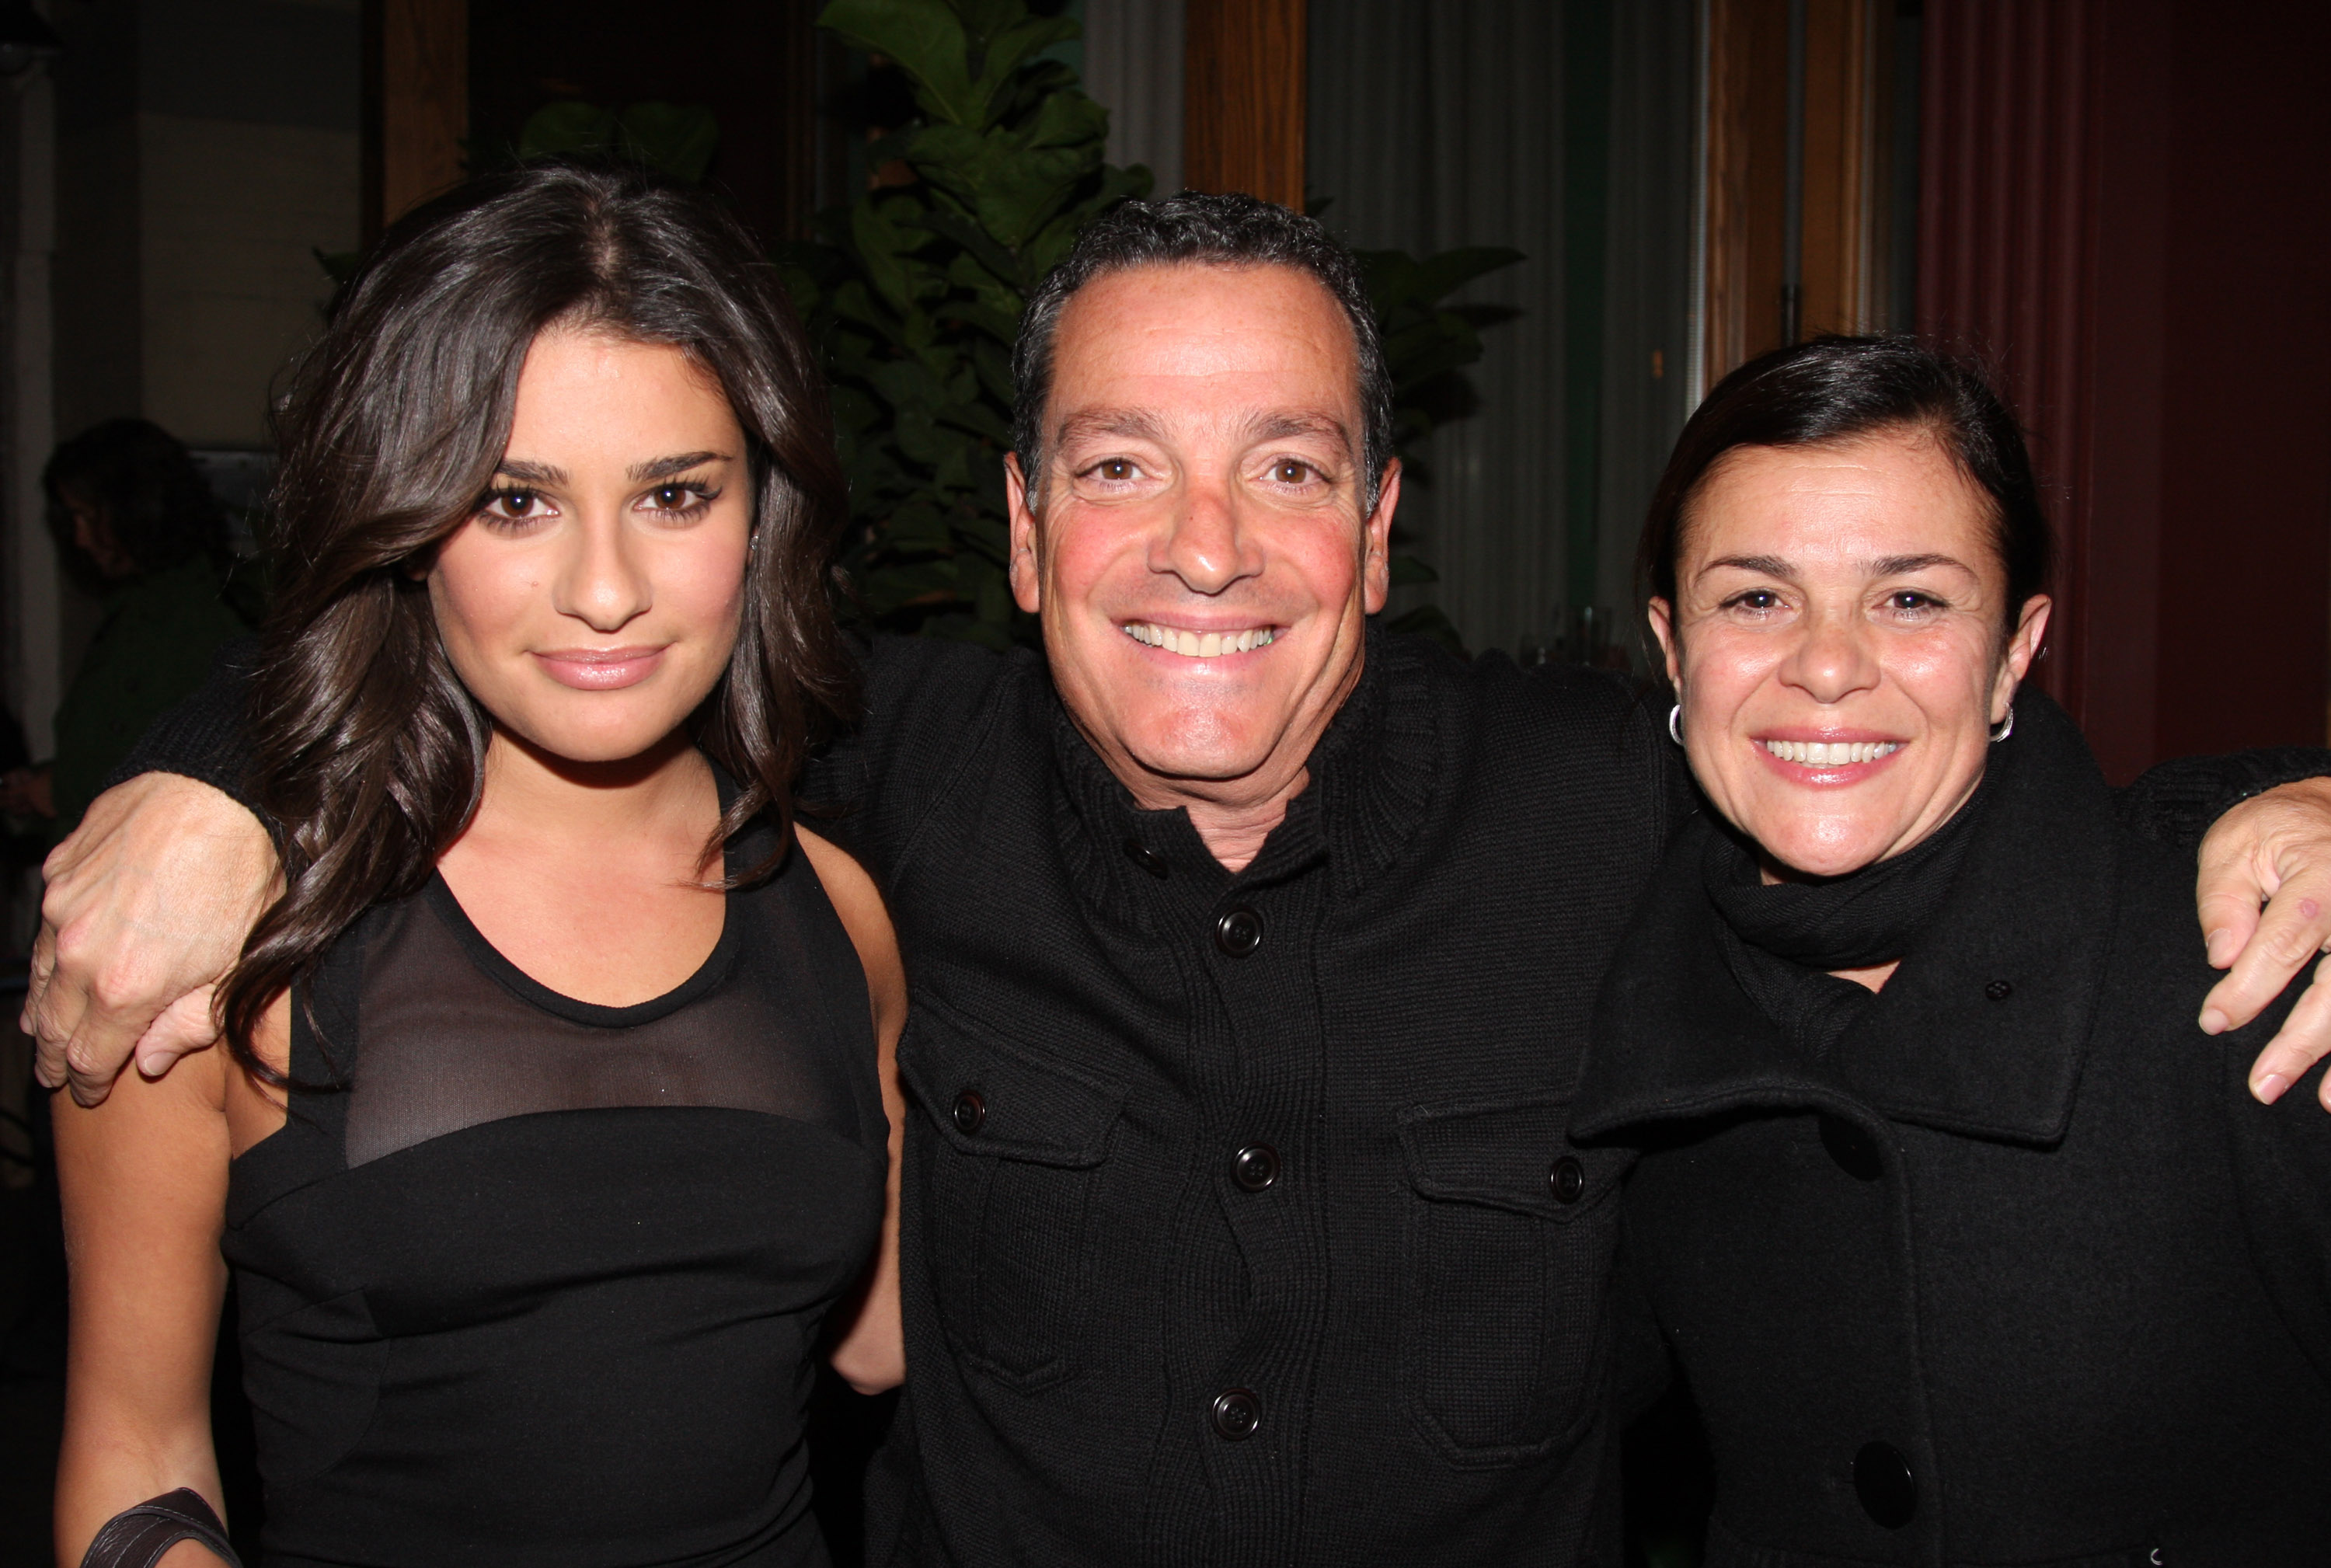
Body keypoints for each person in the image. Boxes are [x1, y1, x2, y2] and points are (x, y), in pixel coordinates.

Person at [30, 197, 2331, 1566]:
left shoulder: (1600, 801)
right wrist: (216, 768)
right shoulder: (889, 777)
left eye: (1287, 467)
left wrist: (2256, 800)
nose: (1207, 550)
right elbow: (550, 633)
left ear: (1383, 525)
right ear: (1020, 526)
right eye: (1121, 466)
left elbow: (1873, 752)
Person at [51, 163, 907, 1567]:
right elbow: (136, 1455)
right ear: (405, 520)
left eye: (676, 493)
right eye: (514, 502)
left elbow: (882, 1342)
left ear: (764, 513)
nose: (607, 585)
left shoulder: (841, 910)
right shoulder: (212, 946)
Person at [1572, 337, 2331, 1562]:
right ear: (1672, 647)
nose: (1826, 665)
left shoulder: (2250, 963)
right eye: (1755, 598)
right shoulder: (1616, 996)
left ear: (2015, 652)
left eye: (1911, 597)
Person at [0, 420, 252, 838]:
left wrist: (63, 789)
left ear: (135, 509)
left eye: (88, 516)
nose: (80, 539)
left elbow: (180, 756)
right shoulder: (140, 608)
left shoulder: (189, 616)